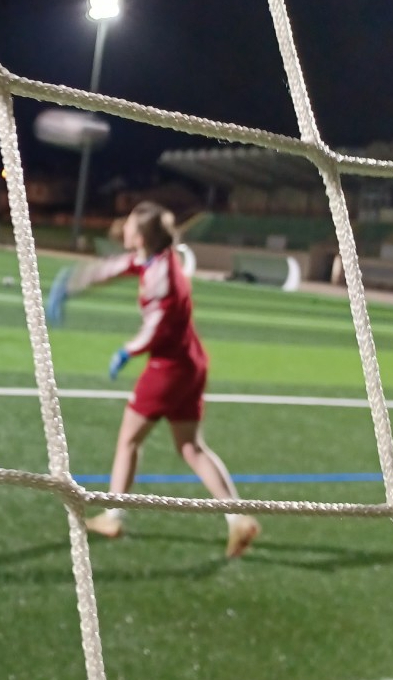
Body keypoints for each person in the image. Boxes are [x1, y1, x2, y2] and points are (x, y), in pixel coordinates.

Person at [46, 201, 260, 559]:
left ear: (142, 235)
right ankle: (237, 518)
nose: (125, 227)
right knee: (191, 447)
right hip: (190, 365)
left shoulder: (162, 276)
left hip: (168, 369)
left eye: (131, 223)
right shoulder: (153, 261)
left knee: (129, 440)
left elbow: (156, 327)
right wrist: (71, 283)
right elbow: (112, 269)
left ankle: (114, 516)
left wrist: (127, 351)